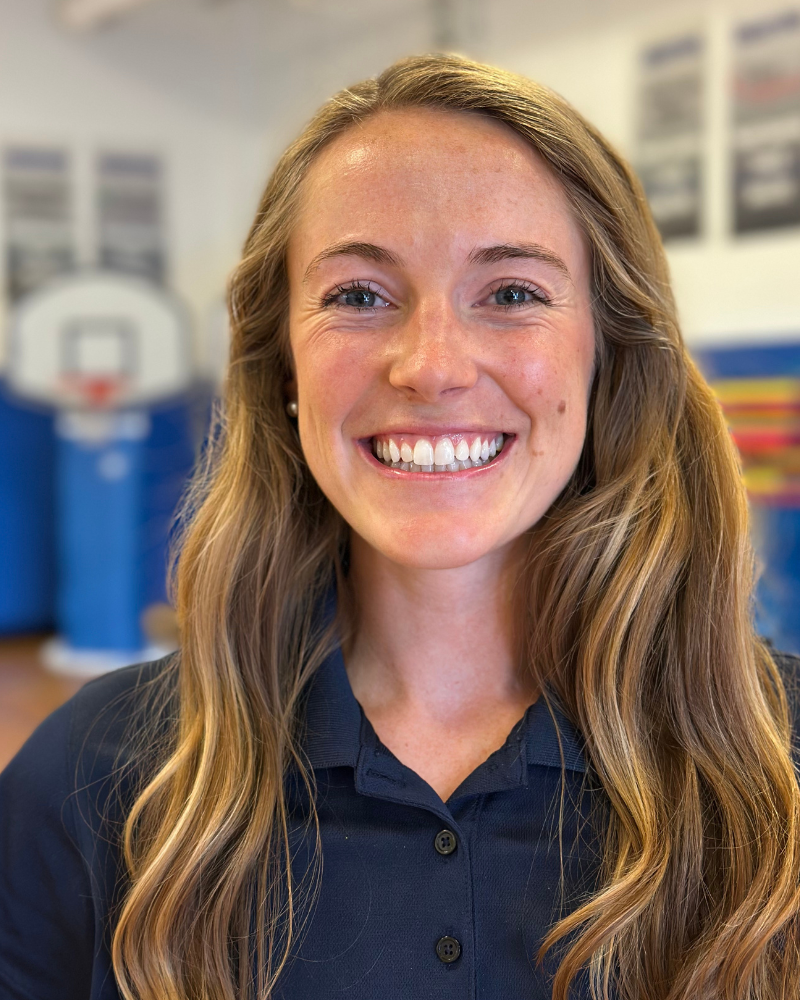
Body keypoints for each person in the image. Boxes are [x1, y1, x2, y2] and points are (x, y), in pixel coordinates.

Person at [2, 53, 800, 1000]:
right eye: (358, 296)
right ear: (284, 364)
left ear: (607, 351)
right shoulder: (88, 778)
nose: (431, 366)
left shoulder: (780, 762)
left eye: (512, 293)